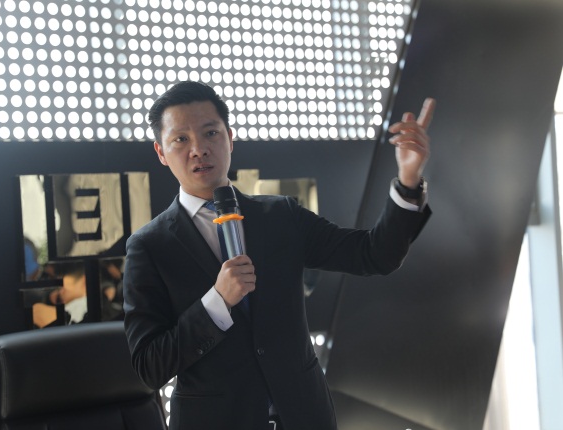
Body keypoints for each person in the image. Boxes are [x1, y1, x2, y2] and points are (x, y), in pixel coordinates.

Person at [123, 81, 435, 430]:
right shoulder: (149, 246)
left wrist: (408, 180)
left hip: (306, 417)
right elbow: (149, 366)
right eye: (181, 139)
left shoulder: (281, 216)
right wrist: (217, 302)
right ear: (161, 152)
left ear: (229, 137)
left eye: (210, 133)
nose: (198, 149)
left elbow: (374, 255)